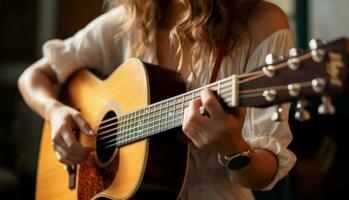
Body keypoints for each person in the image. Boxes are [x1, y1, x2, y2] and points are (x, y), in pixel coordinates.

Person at [18, 0, 297, 199]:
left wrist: (233, 149)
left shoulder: (261, 22)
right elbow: (33, 76)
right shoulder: (132, 20)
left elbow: (265, 174)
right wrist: (55, 112)